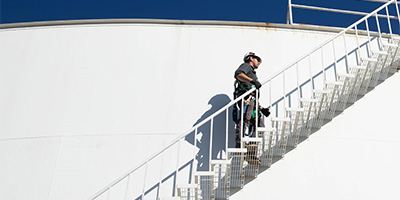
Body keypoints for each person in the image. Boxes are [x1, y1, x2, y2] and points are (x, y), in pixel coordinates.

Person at [233, 52, 270, 164]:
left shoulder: (252, 72)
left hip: (253, 101)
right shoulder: (246, 66)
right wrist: (252, 81)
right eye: (257, 59)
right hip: (246, 99)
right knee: (246, 119)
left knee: (261, 127)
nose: (259, 62)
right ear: (251, 58)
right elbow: (238, 74)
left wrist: (261, 108)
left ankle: (250, 151)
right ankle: (239, 144)